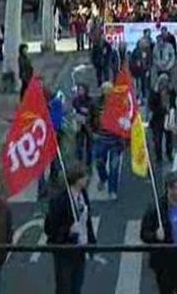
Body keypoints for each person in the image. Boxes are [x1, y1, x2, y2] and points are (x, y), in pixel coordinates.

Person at [44, 164, 97, 294]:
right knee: (64, 287)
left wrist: (91, 242)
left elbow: (87, 221)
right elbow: (49, 228)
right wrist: (68, 230)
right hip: (65, 250)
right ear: (77, 179)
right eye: (85, 177)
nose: (88, 179)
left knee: (77, 285)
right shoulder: (60, 201)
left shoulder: (83, 195)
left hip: (81, 248)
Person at [90, 82, 124, 199]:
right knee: (99, 162)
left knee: (114, 166)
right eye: (106, 92)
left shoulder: (118, 105)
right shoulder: (96, 104)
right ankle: (103, 177)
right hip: (101, 139)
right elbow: (90, 119)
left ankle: (112, 190)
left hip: (115, 141)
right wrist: (92, 133)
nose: (108, 95)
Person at [148, 74, 176, 164]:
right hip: (157, 119)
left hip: (168, 119)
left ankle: (169, 154)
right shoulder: (154, 93)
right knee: (157, 139)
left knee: (169, 138)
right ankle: (159, 156)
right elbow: (151, 105)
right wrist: (161, 110)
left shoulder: (171, 92)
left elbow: (175, 103)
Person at [72, 83, 93, 166]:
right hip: (79, 124)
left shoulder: (90, 101)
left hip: (88, 124)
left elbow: (92, 111)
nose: (80, 91)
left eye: (81, 90)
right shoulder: (76, 100)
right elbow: (75, 105)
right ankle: (79, 160)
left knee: (89, 145)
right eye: (79, 90)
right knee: (79, 143)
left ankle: (89, 162)